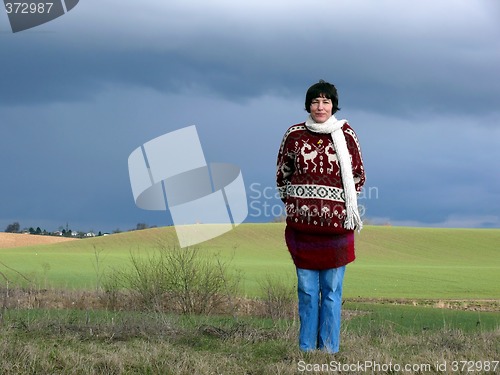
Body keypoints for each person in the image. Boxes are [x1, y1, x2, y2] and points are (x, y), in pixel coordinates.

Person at [276, 80, 365, 353]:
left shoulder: (347, 135)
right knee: (307, 293)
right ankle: (306, 349)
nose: (320, 106)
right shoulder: (294, 135)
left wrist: (335, 206)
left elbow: (358, 177)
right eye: (315, 101)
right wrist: (300, 205)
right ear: (308, 105)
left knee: (332, 293)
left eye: (326, 101)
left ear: (333, 105)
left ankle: (328, 350)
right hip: (303, 231)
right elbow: (282, 176)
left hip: (337, 231)